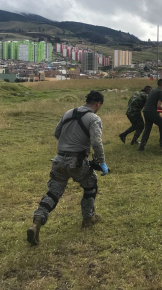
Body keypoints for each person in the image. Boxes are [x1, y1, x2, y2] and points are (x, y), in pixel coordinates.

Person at [27, 91, 109, 246]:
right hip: (76, 162)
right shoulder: (94, 118)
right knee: (90, 185)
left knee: (53, 193)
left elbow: (57, 133)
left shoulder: (68, 113)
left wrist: (69, 142)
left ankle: (37, 221)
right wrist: (102, 162)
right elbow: (96, 142)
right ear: (98, 104)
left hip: (59, 160)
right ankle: (88, 218)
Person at [138, 79, 162, 151]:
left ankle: (141, 146)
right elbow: (158, 105)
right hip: (152, 112)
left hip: (146, 111)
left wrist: (161, 107)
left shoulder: (153, 90)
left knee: (147, 129)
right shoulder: (161, 92)